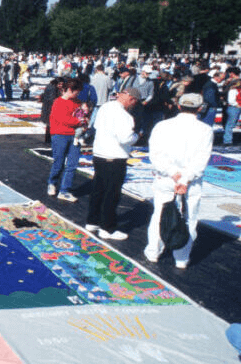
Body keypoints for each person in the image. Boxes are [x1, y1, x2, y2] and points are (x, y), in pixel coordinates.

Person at [144, 93, 213, 269]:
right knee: (189, 218)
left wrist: (173, 174)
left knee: (160, 214)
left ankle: (154, 252)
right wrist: (185, 178)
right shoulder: (205, 130)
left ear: (179, 106)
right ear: (199, 108)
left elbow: (155, 155)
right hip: (190, 182)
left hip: (167, 178)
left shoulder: (162, 126)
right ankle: (181, 258)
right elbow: (201, 159)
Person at [86, 87, 141, 240]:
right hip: (115, 157)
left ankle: (92, 221)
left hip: (99, 154)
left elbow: (96, 126)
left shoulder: (105, 107)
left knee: (98, 189)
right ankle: (107, 228)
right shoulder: (125, 116)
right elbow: (126, 138)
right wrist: (136, 136)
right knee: (111, 193)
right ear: (131, 100)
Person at [47, 78, 85, 202]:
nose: (77, 95)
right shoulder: (58, 102)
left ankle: (64, 190)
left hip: (75, 136)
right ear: (69, 90)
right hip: (60, 135)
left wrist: (84, 117)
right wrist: (79, 122)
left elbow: (82, 115)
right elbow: (63, 119)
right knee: (59, 162)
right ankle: (52, 182)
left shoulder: (78, 102)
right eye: (76, 92)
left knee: (72, 164)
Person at [222, 66, 241, 145]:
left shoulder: (231, 84)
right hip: (234, 105)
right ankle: (227, 140)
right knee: (230, 124)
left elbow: (225, 93)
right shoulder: (232, 86)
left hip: (233, 105)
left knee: (229, 124)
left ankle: (227, 140)